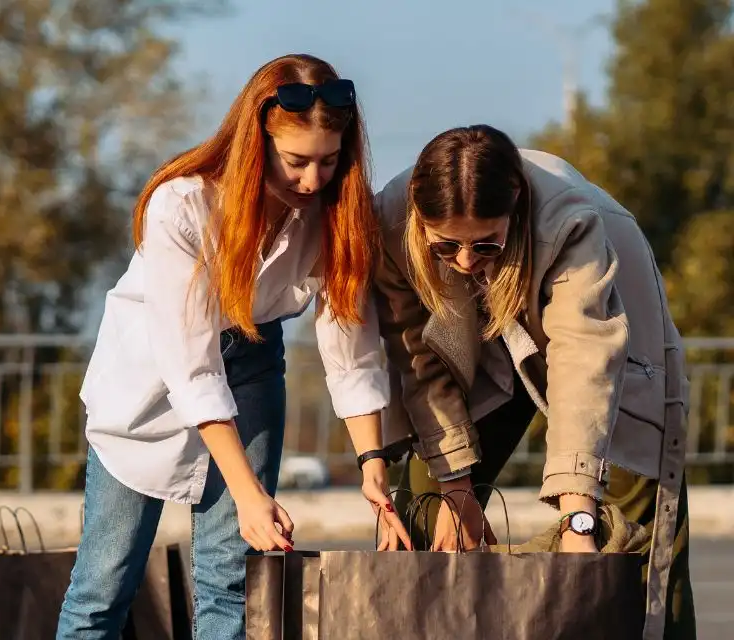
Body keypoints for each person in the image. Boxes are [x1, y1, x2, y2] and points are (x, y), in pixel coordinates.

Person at [56, 53, 410, 640]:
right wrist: (247, 495)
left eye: (329, 161)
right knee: (102, 591)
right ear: (257, 144)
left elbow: (350, 341)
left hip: (252, 364)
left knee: (230, 586)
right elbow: (191, 365)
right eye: (296, 161)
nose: (313, 180)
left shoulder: (335, 212)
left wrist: (371, 463)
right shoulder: (183, 205)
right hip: (149, 379)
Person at [371, 124, 696, 638]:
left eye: (485, 244)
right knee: (425, 510)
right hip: (482, 352)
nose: (465, 261)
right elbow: (420, 359)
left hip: (614, 347)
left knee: (636, 545)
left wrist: (577, 519)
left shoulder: (570, 219)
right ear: (416, 212)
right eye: (445, 248)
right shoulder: (389, 222)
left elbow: (582, 365)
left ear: (516, 203)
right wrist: (456, 490)